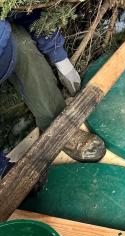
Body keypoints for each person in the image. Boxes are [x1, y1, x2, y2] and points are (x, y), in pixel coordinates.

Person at [0, 11, 106, 170]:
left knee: (22, 46)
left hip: (4, 39)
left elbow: (30, 14)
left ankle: (55, 124)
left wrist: (60, 58)